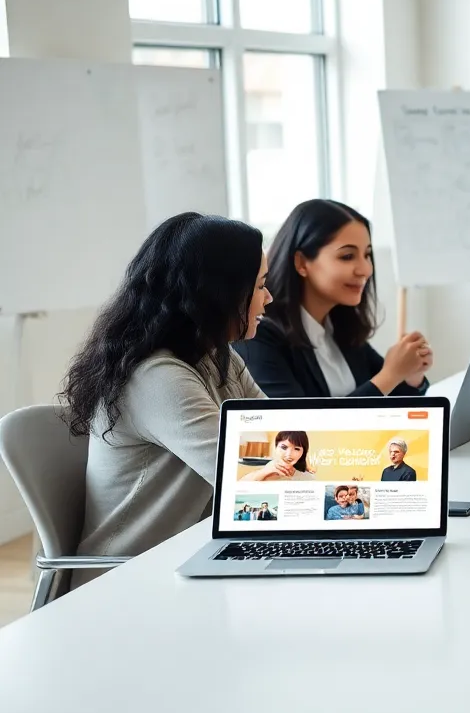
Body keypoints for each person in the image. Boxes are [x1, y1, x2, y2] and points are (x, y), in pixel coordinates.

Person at [59, 213, 271, 585]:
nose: (267, 299)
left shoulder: (217, 355)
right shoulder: (156, 378)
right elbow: (244, 479)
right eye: (260, 286)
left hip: (189, 559)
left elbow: (276, 432)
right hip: (126, 581)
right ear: (219, 293)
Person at [234, 199, 433, 398]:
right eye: (347, 256)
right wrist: (391, 375)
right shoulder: (257, 335)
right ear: (302, 263)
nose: (365, 269)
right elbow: (299, 426)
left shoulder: (341, 325)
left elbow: (395, 402)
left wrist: (410, 375)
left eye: (367, 255)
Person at [239, 431, 315, 481]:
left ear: (303, 452)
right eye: (284, 447)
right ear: (276, 447)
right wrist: (265, 472)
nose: (289, 454)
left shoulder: (308, 478)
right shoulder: (266, 470)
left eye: (297, 449)